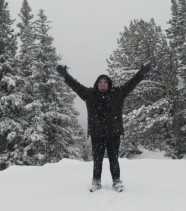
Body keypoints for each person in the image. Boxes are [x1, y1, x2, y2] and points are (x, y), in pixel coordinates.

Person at [56, 63, 153, 192]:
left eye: (105, 82)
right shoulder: (89, 94)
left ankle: (117, 181)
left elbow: (131, 84)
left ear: (109, 84)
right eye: (101, 82)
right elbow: (76, 86)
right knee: (97, 160)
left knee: (114, 159)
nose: (103, 84)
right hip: (97, 134)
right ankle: (96, 181)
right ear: (97, 83)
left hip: (113, 133)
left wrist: (141, 74)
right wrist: (66, 76)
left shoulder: (117, 93)